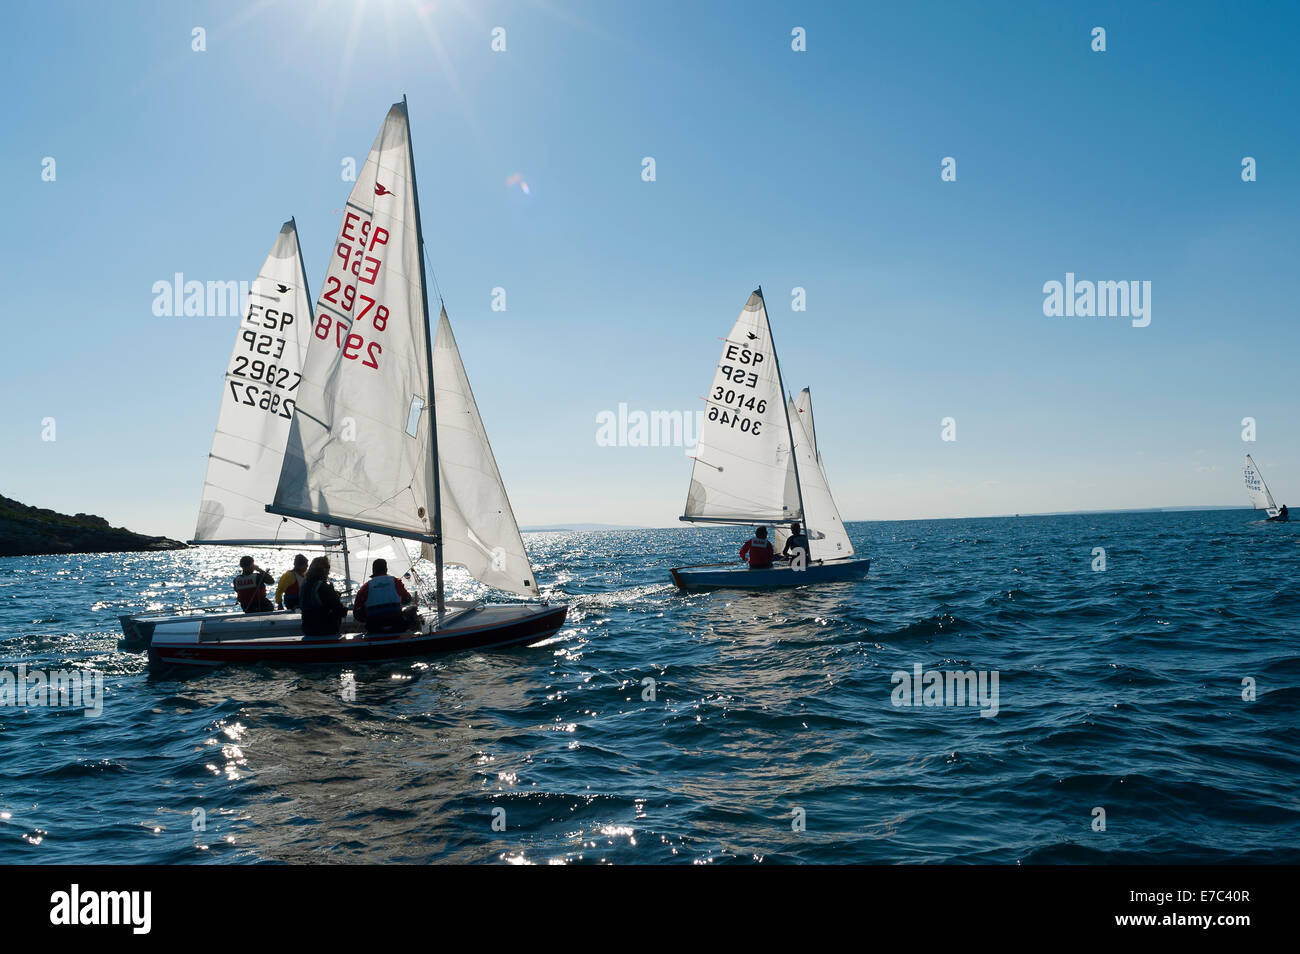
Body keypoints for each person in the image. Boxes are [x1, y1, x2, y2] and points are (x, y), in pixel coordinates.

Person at [353, 558, 417, 633]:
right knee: (413, 608)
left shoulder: (365, 587)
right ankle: (411, 633)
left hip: (374, 626)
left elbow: (356, 613)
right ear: (386, 569)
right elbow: (407, 599)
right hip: (396, 624)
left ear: (373, 570)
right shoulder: (395, 582)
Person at [300, 556, 348, 636]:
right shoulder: (325, 586)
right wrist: (343, 607)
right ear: (325, 570)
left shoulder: (304, 585)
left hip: (307, 629)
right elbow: (339, 610)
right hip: (326, 629)